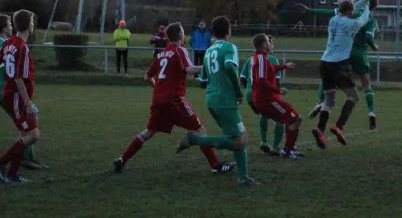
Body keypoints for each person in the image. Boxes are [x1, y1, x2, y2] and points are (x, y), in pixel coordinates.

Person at [112, 22, 235, 175]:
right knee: (199, 130)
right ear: (180, 35)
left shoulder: (160, 54)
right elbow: (189, 70)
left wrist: (158, 88)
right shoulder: (179, 51)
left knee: (149, 132)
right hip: (175, 99)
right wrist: (208, 67)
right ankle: (215, 166)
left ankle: (122, 159)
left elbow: (146, 77)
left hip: (158, 100)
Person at [177, 15, 257, 187]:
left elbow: (203, 80)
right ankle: (195, 140)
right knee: (239, 140)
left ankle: (243, 178)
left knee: (239, 136)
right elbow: (229, 66)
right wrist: (237, 91)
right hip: (225, 100)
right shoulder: (229, 47)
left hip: (211, 99)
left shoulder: (209, 50)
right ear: (229, 30)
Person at [300, 0, 380, 130]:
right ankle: (369, 113)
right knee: (362, 87)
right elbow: (363, 25)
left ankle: (320, 107)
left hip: (326, 60)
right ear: (350, 9)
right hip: (351, 55)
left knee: (328, 90)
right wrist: (367, 3)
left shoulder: (334, 19)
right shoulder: (361, 21)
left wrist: (310, 10)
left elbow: (327, 12)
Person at [312, 0, 371, 150]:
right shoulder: (350, 24)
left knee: (329, 99)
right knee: (353, 96)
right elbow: (363, 19)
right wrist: (367, 6)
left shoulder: (332, 20)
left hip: (324, 62)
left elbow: (349, 11)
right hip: (338, 64)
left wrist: (358, 4)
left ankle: (320, 129)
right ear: (350, 12)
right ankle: (339, 126)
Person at [0, 10, 40, 184]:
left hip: (12, 95)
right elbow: (18, 79)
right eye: (32, 21)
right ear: (28, 25)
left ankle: (12, 174)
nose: (33, 24)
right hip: (17, 97)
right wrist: (28, 104)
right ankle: (0, 162)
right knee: (33, 135)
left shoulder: (9, 43)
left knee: (24, 134)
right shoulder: (22, 48)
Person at [250, 34, 303, 159]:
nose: (270, 43)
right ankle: (288, 150)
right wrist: (278, 90)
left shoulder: (260, 57)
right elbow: (262, 80)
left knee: (290, 119)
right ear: (263, 44)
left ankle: (290, 148)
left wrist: (285, 66)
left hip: (264, 100)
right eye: (268, 41)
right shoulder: (261, 58)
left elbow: (270, 69)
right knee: (295, 118)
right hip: (268, 100)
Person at [240, 35, 287, 156]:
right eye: (271, 43)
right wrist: (278, 91)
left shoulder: (251, 58)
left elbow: (242, 78)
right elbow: (276, 81)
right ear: (266, 45)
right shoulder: (271, 59)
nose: (272, 46)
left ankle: (264, 141)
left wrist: (249, 89)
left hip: (250, 95)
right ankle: (275, 147)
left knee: (264, 114)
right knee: (281, 117)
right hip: (264, 94)